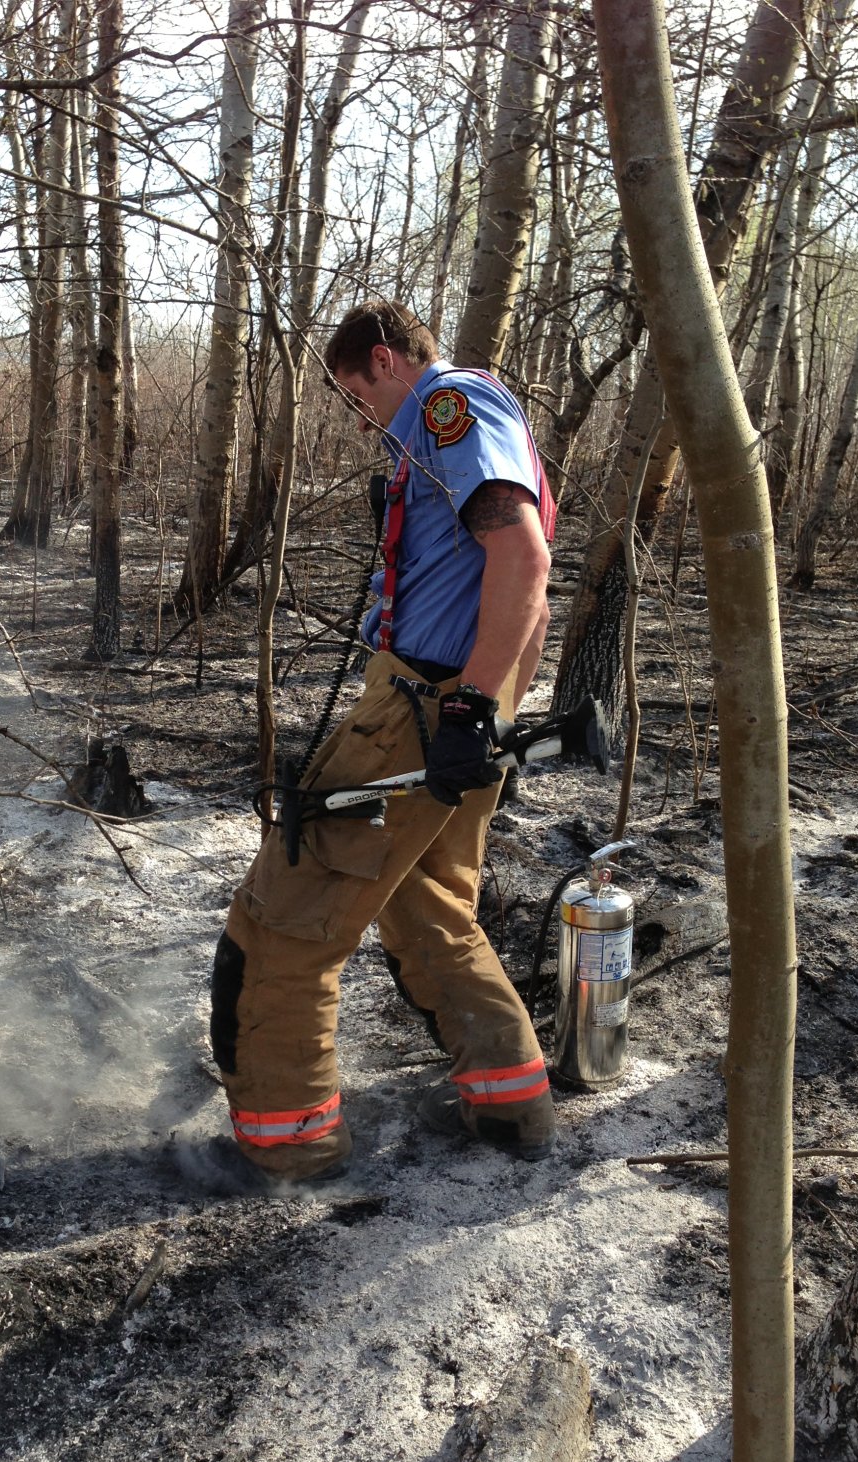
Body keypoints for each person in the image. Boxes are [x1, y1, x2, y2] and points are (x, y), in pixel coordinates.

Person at [206, 300, 559, 1190]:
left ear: (383, 360)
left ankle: (286, 1148)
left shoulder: (448, 409)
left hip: (429, 702)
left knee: (285, 920)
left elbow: (524, 561)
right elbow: (524, 594)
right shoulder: (460, 419)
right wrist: (494, 704)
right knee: (426, 902)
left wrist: (469, 710)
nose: (356, 414)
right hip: (457, 697)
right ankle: (511, 1104)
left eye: (352, 393)